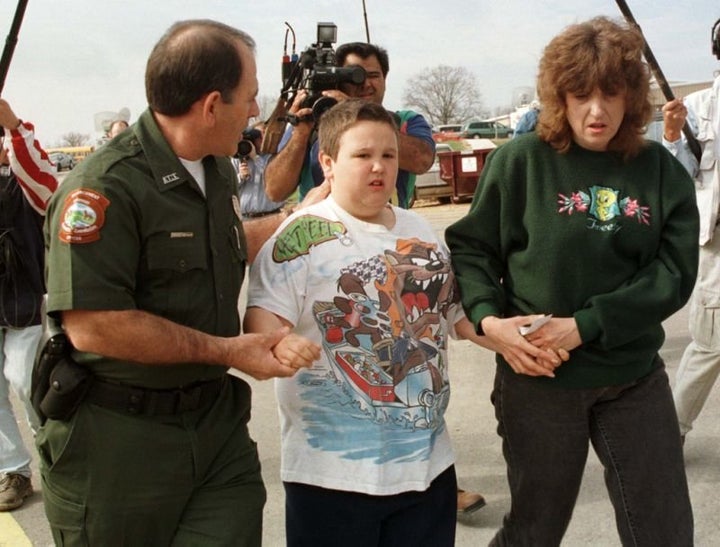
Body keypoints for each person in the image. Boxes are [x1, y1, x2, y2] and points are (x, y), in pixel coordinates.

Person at [39, 20, 323, 546]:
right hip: (120, 445)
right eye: (250, 97)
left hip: (215, 431)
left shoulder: (214, 168)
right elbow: (97, 327)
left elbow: (220, 242)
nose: (256, 111)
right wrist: (230, 351)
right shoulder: (103, 188)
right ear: (212, 105)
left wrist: (295, 218)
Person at [244, 99, 564, 547]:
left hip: (426, 470)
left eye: (388, 155)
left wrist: (503, 336)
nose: (378, 167)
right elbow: (260, 321)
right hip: (332, 479)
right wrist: (278, 343)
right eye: (362, 156)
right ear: (328, 163)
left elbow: (453, 313)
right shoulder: (300, 236)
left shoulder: (418, 229)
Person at [446, 17, 698, 546]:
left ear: (632, 97)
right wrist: (491, 322)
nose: (597, 110)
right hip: (538, 378)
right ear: (559, 97)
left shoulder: (658, 170)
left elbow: (673, 274)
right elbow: (471, 249)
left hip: (632, 376)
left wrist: (585, 325)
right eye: (580, 94)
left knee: (665, 529)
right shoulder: (520, 162)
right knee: (536, 528)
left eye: (611, 93)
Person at [263, 42, 435, 210]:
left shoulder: (405, 121)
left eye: (374, 75)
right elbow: (275, 192)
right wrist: (300, 135)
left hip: (388, 232)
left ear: (385, 79)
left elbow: (422, 161)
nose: (366, 83)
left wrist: (358, 112)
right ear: (337, 80)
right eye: (355, 75)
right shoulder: (309, 123)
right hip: (322, 233)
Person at [661, 17, 720, 446]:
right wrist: (672, 135)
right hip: (718, 249)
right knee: (710, 343)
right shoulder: (698, 108)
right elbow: (681, 178)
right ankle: (668, 434)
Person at [0, 99, 57, 512]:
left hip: (21, 296)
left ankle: (57, 453)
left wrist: (14, 126)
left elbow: (46, 184)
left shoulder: (21, 173)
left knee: (24, 379)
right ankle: (14, 470)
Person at [234, 121, 286, 218]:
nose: (263, 139)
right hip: (245, 217)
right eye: (259, 135)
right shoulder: (238, 159)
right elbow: (228, 187)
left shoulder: (274, 158)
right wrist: (240, 177)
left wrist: (255, 158)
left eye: (265, 135)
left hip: (271, 216)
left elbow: (274, 179)